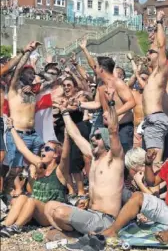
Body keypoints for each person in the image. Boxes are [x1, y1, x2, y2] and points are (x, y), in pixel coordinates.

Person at [97, 128, 168, 239]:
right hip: (167, 210)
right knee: (137, 196)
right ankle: (112, 230)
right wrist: (148, 163)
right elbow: (152, 182)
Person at [43, 87, 124, 235]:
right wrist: (64, 112)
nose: (93, 139)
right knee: (48, 206)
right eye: (93, 137)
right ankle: (74, 233)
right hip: (90, 213)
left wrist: (111, 102)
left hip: (105, 220)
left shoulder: (114, 159)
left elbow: (113, 130)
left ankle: (73, 234)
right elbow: (75, 135)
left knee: (60, 212)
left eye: (98, 137)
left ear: (107, 143)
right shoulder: (94, 158)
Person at [0, 123, 70, 237]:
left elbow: (66, 156)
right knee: (22, 197)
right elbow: (22, 148)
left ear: (56, 154)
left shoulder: (60, 171)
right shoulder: (39, 164)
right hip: (35, 213)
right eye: (42, 148)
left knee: (32, 200)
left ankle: (16, 227)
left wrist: (67, 136)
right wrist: (12, 128)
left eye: (47, 149)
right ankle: (6, 225)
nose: (43, 150)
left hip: (50, 215)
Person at [5, 41, 44, 196]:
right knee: (14, 169)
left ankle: (34, 196)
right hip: (17, 135)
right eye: (28, 73)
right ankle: (6, 195)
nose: (31, 75)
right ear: (21, 75)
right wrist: (28, 51)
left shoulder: (33, 94)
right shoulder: (13, 91)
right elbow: (18, 68)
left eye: (32, 74)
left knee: (35, 167)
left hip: (33, 135)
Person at [141, 11, 168, 162]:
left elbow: (161, 45)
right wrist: (155, 31)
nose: (148, 54)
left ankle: (155, 186)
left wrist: (159, 22)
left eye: (151, 52)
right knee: (149, 162)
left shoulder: (162, 70)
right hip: (151, 120)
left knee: (154, 163)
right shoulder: (153, 73)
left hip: (155, 120)